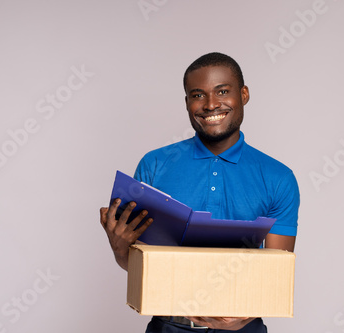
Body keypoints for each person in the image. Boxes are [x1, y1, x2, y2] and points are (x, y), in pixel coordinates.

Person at [100, 52, 300, 332]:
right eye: (197, 95)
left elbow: (276, 273)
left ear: (243, 94)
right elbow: (141, 267)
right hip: (168, 326)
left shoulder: (278, 178)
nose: (210, 104)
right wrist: (120, 249)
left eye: (222, 91)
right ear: (187, 103)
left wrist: (242, 317)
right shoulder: (154, 166)